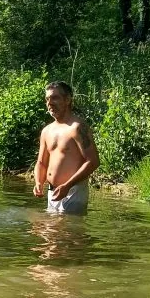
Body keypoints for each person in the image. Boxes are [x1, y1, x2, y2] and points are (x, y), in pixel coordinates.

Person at [33, 81, 99, 214]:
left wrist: (67, 186)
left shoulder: (77, 127)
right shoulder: (47, 130)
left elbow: (93, 161)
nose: (49, 103)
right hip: (53, 192)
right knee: (50, 233)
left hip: (73, 191)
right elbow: (41, 162)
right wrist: (39, 182)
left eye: (55, 98)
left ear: (68, 99)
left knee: (69, 233)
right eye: (47, 99)